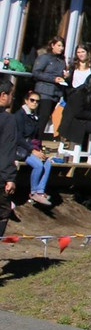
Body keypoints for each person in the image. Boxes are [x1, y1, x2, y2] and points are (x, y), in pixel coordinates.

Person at [58, 72, 91, 165]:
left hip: (82, 119)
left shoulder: (90, 95)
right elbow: (78, 113)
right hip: (73, 122)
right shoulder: (79, 94)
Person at [14, 93, 52, 206]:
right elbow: (18, 138)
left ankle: (40, 191)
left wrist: (38, 150)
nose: (35, 103)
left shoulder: (34, 116)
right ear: (26, 100)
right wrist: (32, 151)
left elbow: (34, 137)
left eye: (37, 101)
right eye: (32, 100)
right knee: (38, 165)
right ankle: (33, 192)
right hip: (20, 148)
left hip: (30, 147)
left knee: (47, 163)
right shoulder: (19, 115)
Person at [31, 36, 68, 138]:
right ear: (52, 45)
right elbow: (36, 72)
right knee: (43, 117)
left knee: (46, 118)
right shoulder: (45, 58)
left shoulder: (62, 61)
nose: (61, 48)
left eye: (62, 46)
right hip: (44, 92)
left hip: (55, 93)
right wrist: (53, 79)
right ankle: (36, 141)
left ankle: (36, 140)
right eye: (59, 45)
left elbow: (61, 74)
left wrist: (65, 76)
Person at [0, 80, 17, 236]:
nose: (12, 98)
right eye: (12, 94)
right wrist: (10, 178)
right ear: (3, 96)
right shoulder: (8, 119)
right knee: (2, 213)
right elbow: (6, 150)